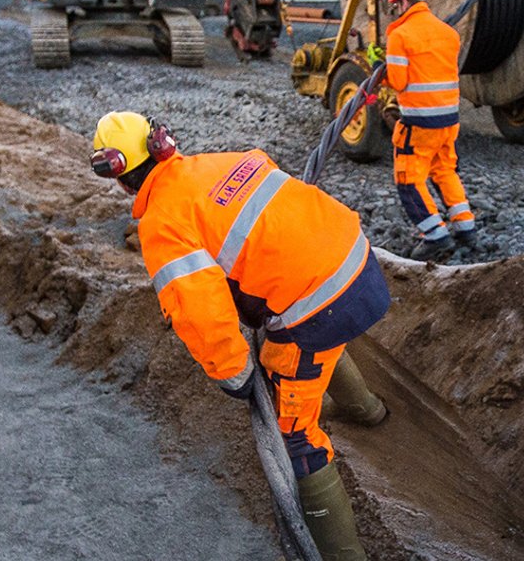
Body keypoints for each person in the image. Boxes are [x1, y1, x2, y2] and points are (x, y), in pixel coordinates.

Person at [90, 111, 389, 560]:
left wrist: (236, 377)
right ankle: (367, 410)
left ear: (120, 177)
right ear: (162, 143)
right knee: (307, 343)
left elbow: (202, 317)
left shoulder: (162, 225)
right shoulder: (222, 161)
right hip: (356, 261)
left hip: (318, 308)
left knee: (296, 439)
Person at [369, 0, 477, 262]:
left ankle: (435, 235)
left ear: (403, 1)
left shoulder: (400, 35)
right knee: (444, 171)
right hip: (449, 121)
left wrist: (380, 65)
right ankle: (466, 228)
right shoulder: (448, 33)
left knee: (409, 180)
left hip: (419, 123)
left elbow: (400, 81)